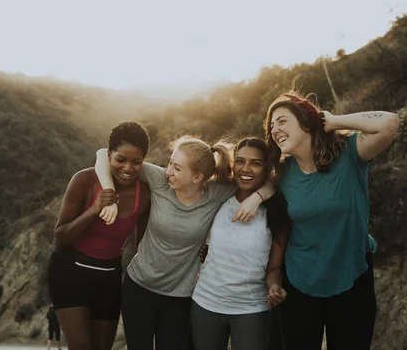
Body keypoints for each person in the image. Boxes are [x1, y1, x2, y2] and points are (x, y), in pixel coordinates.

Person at [95, 135, 275, 350]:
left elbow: (272, 181)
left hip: (179, 297)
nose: (169, 170)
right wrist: (109, 194)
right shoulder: (159, 179)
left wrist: (257, 197)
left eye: (177, 168)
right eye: (170, 162)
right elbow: (102, 155)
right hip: (139, 288)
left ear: (198, 177)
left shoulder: (217, 192)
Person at [264, 91, 399, 350]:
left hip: (353, 275)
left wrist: (333, 121)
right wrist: (253, 198)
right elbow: (259, 184)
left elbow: (390, 123)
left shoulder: (350, 154)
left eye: (282, 121)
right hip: (300, 281)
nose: (274, 129)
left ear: (306, 122)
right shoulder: (282, 172)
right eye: (271, 125)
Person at [47, 121, 152, 350]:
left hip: (108, 278)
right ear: (109, 155)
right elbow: (60, 236)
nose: (127, 168)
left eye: (136, 162)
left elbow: (140, 246)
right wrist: (93, 210)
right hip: (69, 272)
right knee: (82, 347)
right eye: (121, 159)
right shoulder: (84, 180)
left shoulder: (144, 195)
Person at [191, 137, 291, 350]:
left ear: (266, 168)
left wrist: (274, 287)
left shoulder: (277, 212)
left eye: (255, 163)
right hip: (206, 303)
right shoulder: (219, 195)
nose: (246, 169)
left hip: (251, 309)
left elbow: (274, 267)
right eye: (240, 161)